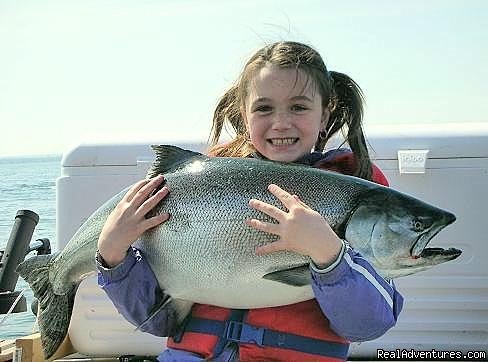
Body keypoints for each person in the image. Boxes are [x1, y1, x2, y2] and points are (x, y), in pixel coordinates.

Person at [96, 41, 403, 361]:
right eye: (264, 108)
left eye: (298, 107)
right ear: (244, 116)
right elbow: (156, 319)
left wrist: (330, 255)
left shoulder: (355, 188)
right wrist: (113, 256)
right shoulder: (203, 181)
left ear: (325, 114)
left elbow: (367, 324)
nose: (281, 122)